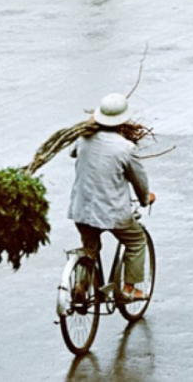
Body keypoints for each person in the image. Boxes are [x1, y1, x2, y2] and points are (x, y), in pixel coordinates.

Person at [68, 92, 156, 301]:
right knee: (136, 241)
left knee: (89, 248)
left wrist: (88, 128)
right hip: (113, 213)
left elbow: (73, 152)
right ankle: (129, 289)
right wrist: (145, 199)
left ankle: (81, 285)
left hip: (82, 210)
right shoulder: (125, 148)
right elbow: (139, 181)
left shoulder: (83, 139)